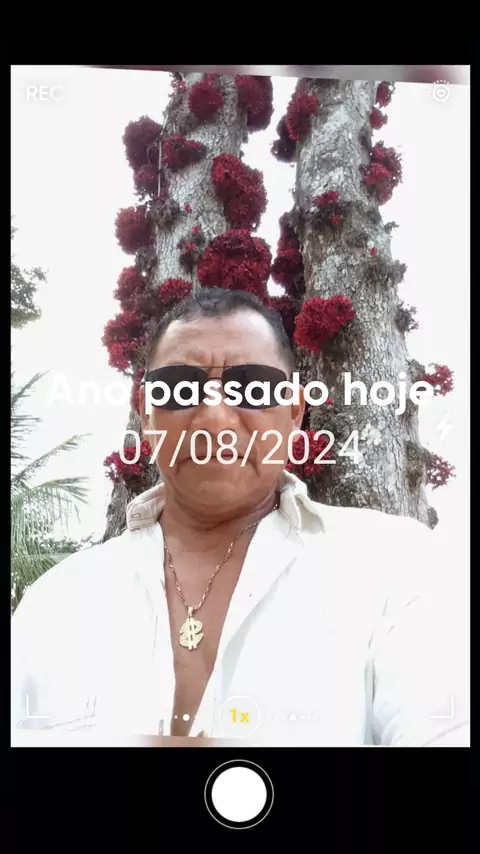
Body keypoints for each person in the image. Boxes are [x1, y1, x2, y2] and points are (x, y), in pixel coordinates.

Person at [11, 288, 469, 746]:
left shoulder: (395, 567)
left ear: (294, 414)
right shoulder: (56, 605)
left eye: (252, 387)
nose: (214, 418)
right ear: (147, 417)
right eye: (180, 388)